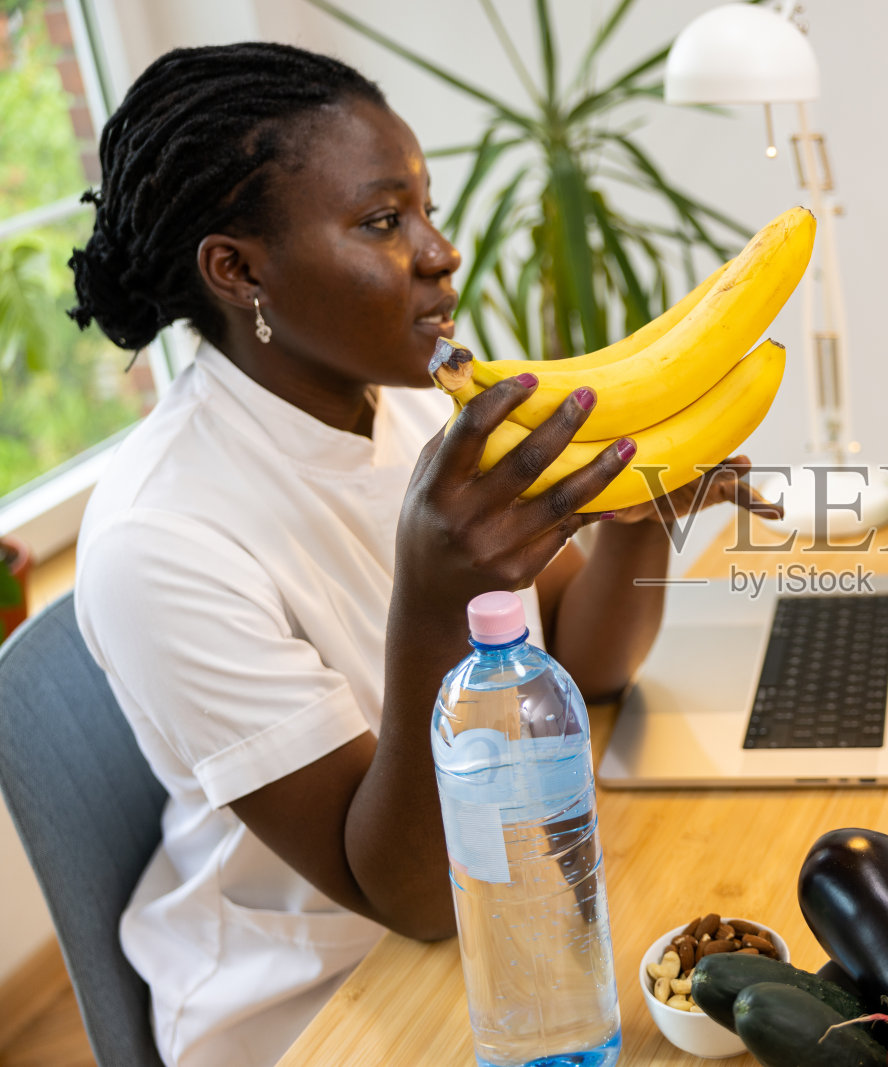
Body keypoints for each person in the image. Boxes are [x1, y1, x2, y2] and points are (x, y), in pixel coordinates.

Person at [66, 41, 774, 1067]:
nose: (442, 252)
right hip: (319, 1002)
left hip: (517, 906)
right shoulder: (160, 539)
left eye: (426, 209)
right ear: (238, 269)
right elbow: (413, 897)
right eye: (382, 221)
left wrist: (639, 511)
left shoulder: (403, 403)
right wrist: (439, 603)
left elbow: (587, 656)